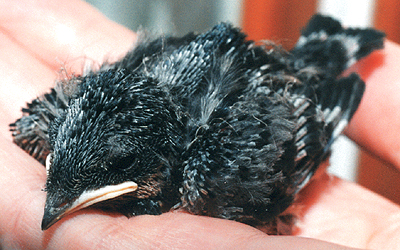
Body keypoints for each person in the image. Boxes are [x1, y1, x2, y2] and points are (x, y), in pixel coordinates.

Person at [1, 1, 399, 249]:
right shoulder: (54, 121)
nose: (50, 210)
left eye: (122, 163)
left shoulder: (211, 173)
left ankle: (329, 49)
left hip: (268, 89)